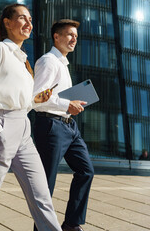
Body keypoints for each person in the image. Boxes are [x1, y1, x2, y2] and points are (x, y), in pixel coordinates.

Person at [0, 4, 62, 231]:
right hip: (0, 127)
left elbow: (18, 98)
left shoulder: (23, 60)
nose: (28, 23)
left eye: (30, 19)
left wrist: (35, 100)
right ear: (7, 23)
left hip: (23, 129)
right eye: (22, 18)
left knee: (42, 197)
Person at [33, 19, 94, 231]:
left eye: (76, 36)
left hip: (69, 126)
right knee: (46, 184)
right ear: (56, 37)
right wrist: (68, 103)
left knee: (86, 171)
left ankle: (71, 224)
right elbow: (36, 98)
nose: (74, 39)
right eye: (69, 35)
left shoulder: (63, 64)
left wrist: (71, 104)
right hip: (51, 126)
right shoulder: (48, 61)